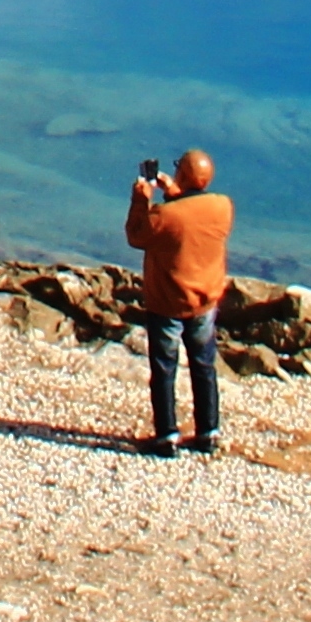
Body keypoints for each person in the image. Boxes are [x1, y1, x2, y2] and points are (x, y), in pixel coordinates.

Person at [127, 148, 232, 456]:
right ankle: (208, 433)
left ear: (183, 175)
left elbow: (137, 234)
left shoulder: (163, 216)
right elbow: (189, 218)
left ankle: (166, 437)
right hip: (204, 301)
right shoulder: (223, 207)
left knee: (164, 369)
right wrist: (173, 192)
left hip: (168, 304)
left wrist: (141, 198)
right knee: (204, 366)